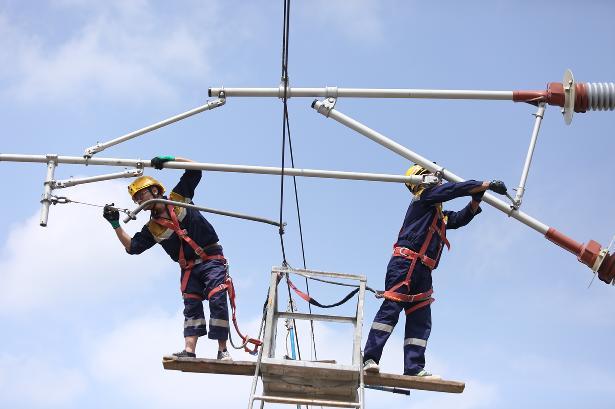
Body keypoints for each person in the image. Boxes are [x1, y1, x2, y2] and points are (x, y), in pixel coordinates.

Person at [363, 164, 508, 377]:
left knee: (420, 317)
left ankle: (413, 367)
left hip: (423, 270)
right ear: (422, 180)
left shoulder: (437, 214)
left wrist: (477, 198)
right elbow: (453, 190)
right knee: (392, 309)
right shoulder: (423, 200)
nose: (437, 179)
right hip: (405, 264)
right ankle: (370, 358)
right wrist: (483, 184)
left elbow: (459, 219)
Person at [102, 155, 231, 360]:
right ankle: (189, 351)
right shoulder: (152, 228)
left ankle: (222, 350)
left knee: (217, 297)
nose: (139, 201)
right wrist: (116, 225)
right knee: (191, 305)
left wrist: (171, 159)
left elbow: (196, 168)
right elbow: (132, 247)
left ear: (155, 191)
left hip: (211, 259)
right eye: (136, 199)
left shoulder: (179, 198)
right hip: (189, 268)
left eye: (141, 195)